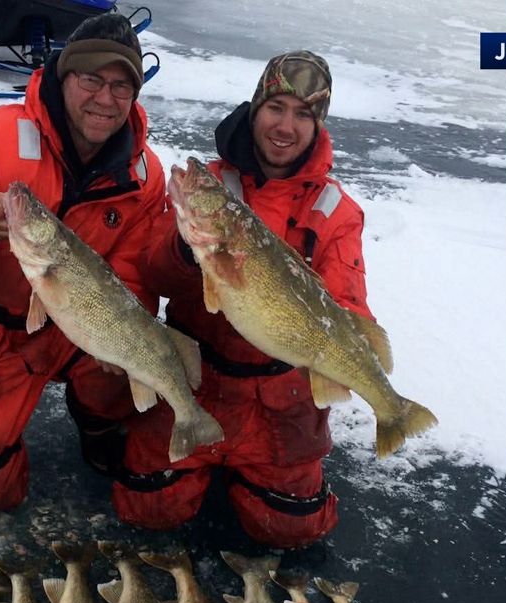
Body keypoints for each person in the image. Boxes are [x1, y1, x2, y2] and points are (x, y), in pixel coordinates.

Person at [0, 14, 167, 512]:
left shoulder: (145, 176)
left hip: (76, 325)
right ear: (65, 77)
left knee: (134, 365)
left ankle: (98, 417)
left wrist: (118, 339)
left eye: (121, 86)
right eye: (91, 80)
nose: (106, 99)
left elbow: (135, 277)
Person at [114, 51, 374, 549]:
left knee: (290, 530)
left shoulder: (336, 210)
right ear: (255, 109)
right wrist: (188, 254)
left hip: (280, 399)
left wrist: (347, 355)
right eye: (276, 106)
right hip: (197, 378)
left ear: (318, 125)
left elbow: (347, 302)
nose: (286, 125)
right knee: (147, 507)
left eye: (304, 114)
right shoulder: (210, 184)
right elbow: (152, 270)